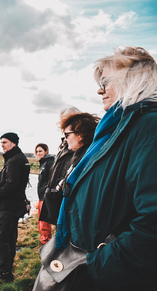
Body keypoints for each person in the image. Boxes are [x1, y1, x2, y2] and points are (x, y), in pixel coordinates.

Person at [60, 46, 157, 290]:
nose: (99, 89)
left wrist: (99, 262)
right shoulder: (118, 129)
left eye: (105, 81)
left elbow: (152, 220)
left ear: (132, 80)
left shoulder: (149, 126)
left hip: (108, 276)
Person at [0, 132, 30, 282]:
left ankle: (5, 273)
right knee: (10, 238)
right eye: (1, 142)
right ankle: (6, 270)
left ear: (13, 143)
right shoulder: (20, 158)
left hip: (9, 206)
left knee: (2, 240)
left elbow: (12, 184)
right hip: (15, 205)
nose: (2, 145)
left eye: (5, 142)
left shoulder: (14, 160)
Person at [39, 106, 80, 225]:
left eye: (70, 120)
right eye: (64, 122)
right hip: (56, 200)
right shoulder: (64, 144)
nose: (66, 125)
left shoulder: (80, 144)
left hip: (68, 203)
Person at [35, 143, 54, 244]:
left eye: (40, 151)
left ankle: (46, 241)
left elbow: (53, 178)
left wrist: (47, 190)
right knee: (40, 220)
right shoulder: (42, 163)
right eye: (37, 151)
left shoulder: (49, 162)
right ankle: (43, 239)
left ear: (46, 151)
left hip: (45, 196)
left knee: (44, 221)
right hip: (41, 196)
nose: (38, 153)